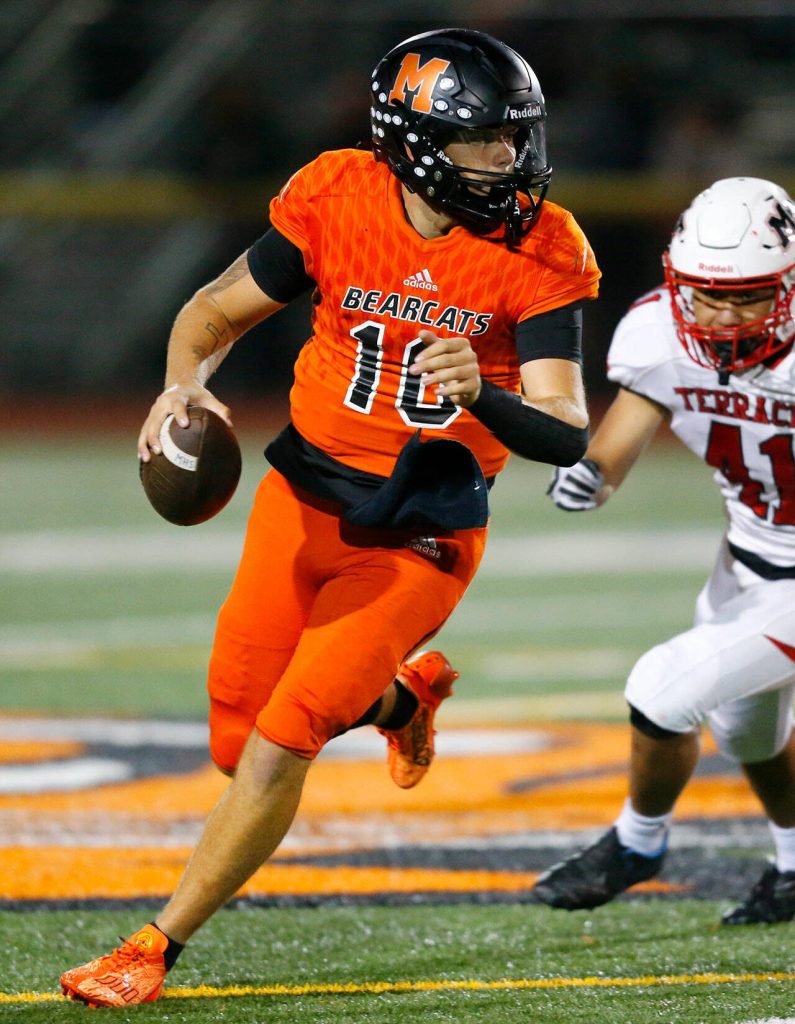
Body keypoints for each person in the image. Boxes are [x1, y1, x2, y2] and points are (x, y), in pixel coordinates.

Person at [59, 27, 600, 1007]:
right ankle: (402, 702)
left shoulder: (542, 246)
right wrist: (183, 386)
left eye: (516, 136)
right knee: (235, 738)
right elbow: (213, 314)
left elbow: (567, 432)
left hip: (423, 528)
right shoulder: (337, 195)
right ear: (415, 143)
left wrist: (486, 394)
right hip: (301, 498)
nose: (510, 157)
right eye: (485, 139)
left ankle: (153, 945)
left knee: (283, 741)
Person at [533, 176, 795, 925]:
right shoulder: (657, 331)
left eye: (748, 296)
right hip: (748, 556)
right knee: (749, 732)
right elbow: (620, 439)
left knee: (661, 687)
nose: (723, 316)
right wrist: (590, 476)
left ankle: (636, 841)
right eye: (707, 295)